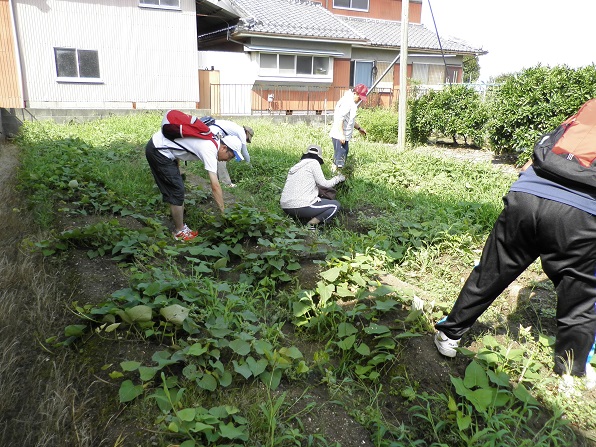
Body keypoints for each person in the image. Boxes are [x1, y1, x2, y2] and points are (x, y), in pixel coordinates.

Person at [434, 158, 596, 383]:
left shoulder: (574, 132)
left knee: (492, 269)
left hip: (526, 196)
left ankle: (449, 333)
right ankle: (571, 371)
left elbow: (527, 165)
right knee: (579, 296)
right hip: (581, 213)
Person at [145, 110, 244, 241]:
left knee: (176, 188)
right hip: (159, 151)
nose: (228, 160)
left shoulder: (213, 139)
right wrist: (223, 213)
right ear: (224, 148)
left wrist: (176, 165)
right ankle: (179, 232)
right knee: (177, 190)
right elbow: (215, 186)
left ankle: (179, 222)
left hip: (163, 147)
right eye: (230, 156)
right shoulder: (210, 149)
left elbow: (183, 142)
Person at [280, 145, 346, 230]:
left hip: (285, 207)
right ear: (319, 158)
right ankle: (311, 225)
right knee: (335, 205)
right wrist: (339, 178)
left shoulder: (296, 167)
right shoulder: (314, 163)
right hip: (301, 206)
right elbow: (325, 184)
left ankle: (302, 221)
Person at [329, 84, 368, 172]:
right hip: (340, 136)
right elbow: (340, 119)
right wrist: (341, 134)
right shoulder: (347, 102)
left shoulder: (350, 102)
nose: (360, 99)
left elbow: (350, 120)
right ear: (355, 93)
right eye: (360, 97)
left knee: (339, 156)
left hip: (342, 135)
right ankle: (337, 177)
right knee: (340, 160)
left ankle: (333, 174)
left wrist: (359, 128)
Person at [208, 119, 254, 187]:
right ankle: (226, 183)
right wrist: (249, 163)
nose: (246, 140)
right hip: (213, 132)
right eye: (247, 139)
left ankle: (217, 179)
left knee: (217, 157)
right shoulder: (241, 132)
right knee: (222, 158)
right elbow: (244, 151)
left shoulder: (235, 129)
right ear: (247, 133)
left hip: (211, 130)